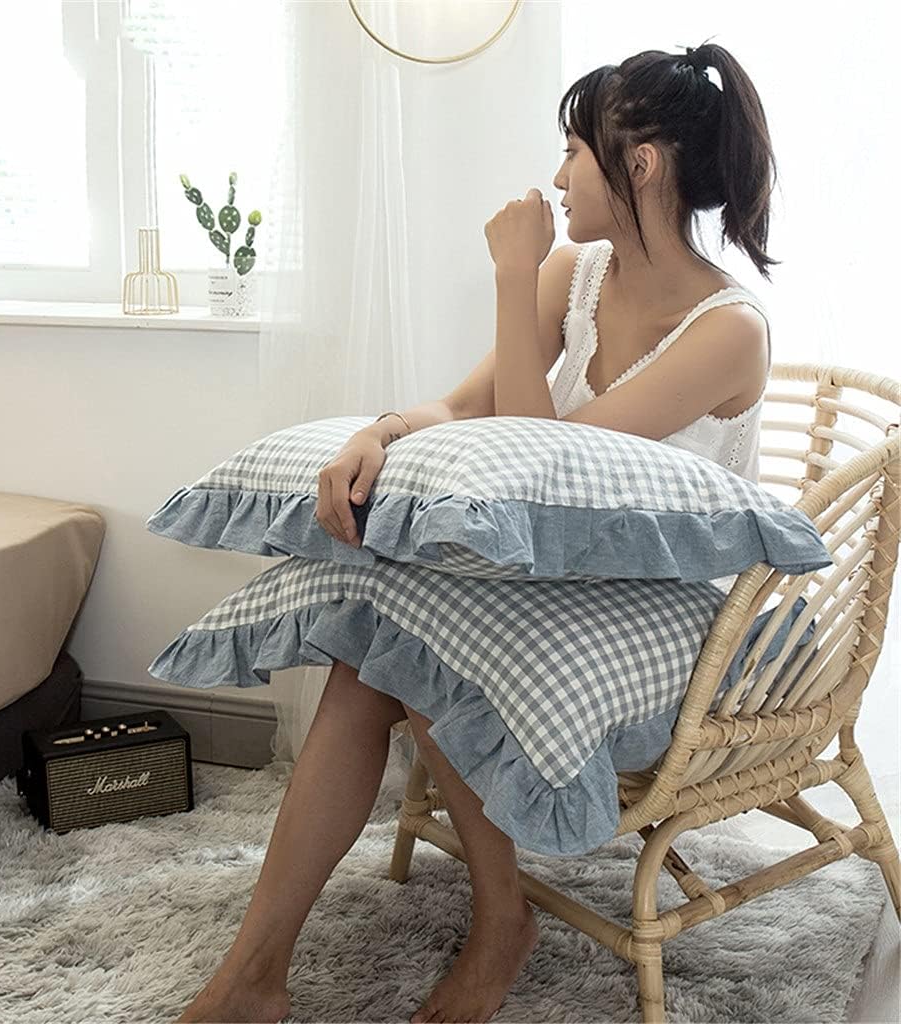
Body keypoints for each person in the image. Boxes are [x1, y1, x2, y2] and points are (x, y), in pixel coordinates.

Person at [174, 39, 777, 1024]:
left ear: (639, 165)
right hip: (546, 578)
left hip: (681, 615)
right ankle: (254, 973)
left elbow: (538, 464)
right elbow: (465, 408)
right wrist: (382, 433)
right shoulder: (574, 275)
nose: (557, 177)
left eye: (572, 151)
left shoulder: (727, 330)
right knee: (386, 638)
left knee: (421, 624)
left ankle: (498, 923)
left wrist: (508, 274)